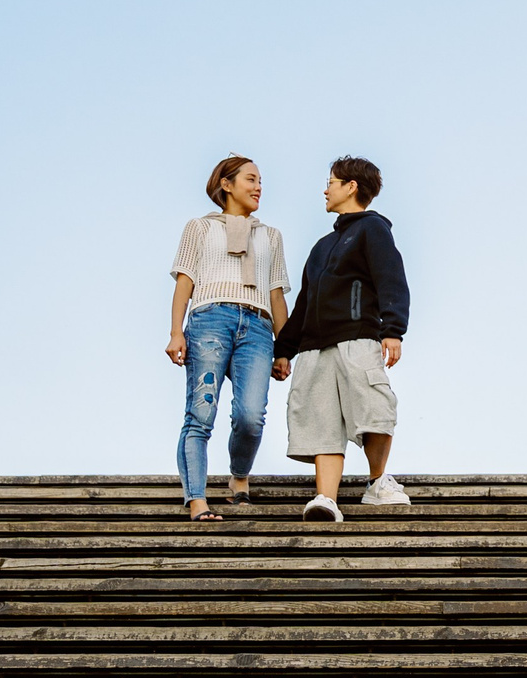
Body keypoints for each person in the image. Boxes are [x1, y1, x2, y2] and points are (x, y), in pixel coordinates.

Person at [275, 156, 410, 521]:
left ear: (351, 187)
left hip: (357, 339)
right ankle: (326, 499)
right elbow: (304, 303)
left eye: (331, 183)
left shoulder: (373, 229)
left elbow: (390, 277)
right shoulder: (321, 247)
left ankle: (378, 483)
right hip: (314, 349)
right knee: (321, 422)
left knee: (375, 409)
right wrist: (284, 349)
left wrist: (393, 329)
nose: (325, 190)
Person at [166, 155, 289, 521]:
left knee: (251, 416)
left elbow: (277, 294)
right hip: (210, 320)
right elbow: (185, 281)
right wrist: (176, 332)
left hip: (258, 326)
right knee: (200, 413)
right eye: (251, 179)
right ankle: (198, 501)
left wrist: (284, 348)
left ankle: (239, 476)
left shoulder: (271, 236)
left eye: (260, 181)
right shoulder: (200, 227)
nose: (258, 187)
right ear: (226, 184)